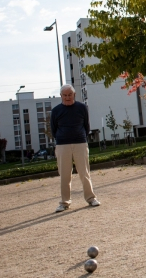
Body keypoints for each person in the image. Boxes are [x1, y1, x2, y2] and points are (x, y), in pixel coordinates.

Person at [50, 84, 100, 212]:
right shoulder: (56, 111)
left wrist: (81, 136)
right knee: (65, 175)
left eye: (69, 95)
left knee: (84, 173)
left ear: (74, 95)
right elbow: (53, 130)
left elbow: (86, 126)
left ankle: (91, 198)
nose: (67, 97)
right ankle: (64, 202)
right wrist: (63, 138)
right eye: (65, 95)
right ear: (61, 96)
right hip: (62, 145)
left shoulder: (82, 108)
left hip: (80, 143)